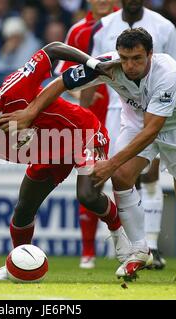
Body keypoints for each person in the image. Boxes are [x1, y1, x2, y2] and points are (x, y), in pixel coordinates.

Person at [0, 28, 176, 283]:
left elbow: (153, 129)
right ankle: (139, 250)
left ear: (151, 55)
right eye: (125, 58)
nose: (130, 66)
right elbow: (62, 81)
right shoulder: (107, 65)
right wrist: (31, 113)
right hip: (135, 125)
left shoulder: (168, 72)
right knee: (121, 177)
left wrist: (110, 162)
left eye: (137, 59)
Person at [0, 42, 131, 281]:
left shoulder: (13, 89)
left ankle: (119, 236)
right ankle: (17, 263)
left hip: (82, 133)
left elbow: (53, 48)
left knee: (86, 195)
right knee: (23, 210)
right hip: (50, 155)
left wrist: (93, 63)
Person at [81, 0, 176, 270]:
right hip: (116, 109)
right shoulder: (103, 26)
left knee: (149, 174)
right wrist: (83, 113)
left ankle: (151, 245)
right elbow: (90, 69)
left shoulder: (164, 26)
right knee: (118, 176)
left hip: (155, 108)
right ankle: (131, 246)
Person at [54, 0, 119, 269]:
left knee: (128, 181)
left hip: (125, 116)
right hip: (92, 119)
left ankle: (137, 246)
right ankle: (88, 252)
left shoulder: (128, 27)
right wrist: (85, 96)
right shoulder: (78, 31)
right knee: (90, 182)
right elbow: (63, 77)